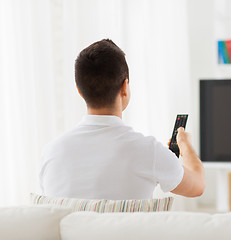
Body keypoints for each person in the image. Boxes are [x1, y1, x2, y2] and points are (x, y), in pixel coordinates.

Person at [39, 39, 205, 200]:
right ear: (124, 87)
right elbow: (197, 186)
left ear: (80, 91)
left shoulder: (51, 153)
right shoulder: (149, 151)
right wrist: (185, 145)